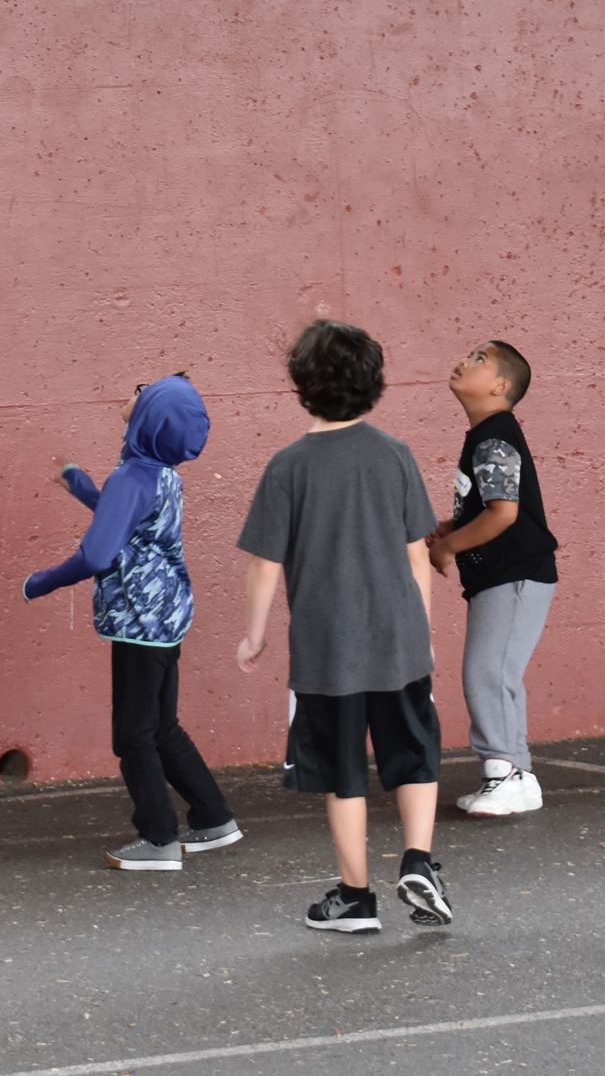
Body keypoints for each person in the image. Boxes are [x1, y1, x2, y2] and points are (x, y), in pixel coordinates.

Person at [235, 322, 451, 933]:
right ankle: (419, 860)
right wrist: (423, 633)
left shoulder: (288, 468)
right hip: (399, 641)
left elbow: (264, 564)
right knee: (413, 752)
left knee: (342, 769)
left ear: (301, 386)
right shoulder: (396, 455)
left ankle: (355, 897)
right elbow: (418, 556)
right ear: (374, 384)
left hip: (329, 652)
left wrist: (255, 635)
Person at [24, 373, 241, 872]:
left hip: (138, 623)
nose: (130, 392)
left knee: (133, 735)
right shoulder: (159, 473)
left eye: (141, 389)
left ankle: (159, 839)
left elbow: (99, 552)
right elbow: (127, 521)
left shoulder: (133, 475)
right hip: (166, 616)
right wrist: (83, 489)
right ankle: (213, 817)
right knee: (162, 726)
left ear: (151, 415)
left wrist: (41, 582)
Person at [427, 340, 559, 817]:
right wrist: (453, 528)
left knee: (487, 671)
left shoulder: (493, 436)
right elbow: (491, 506)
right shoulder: (486, 435)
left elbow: (504, 514)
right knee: (497, 672)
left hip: (515, 575)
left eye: (480, 360)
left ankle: (503, 772)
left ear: (501, 387)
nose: (464, 360)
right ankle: (516, 775)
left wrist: (448, 546)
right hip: (507, 577)